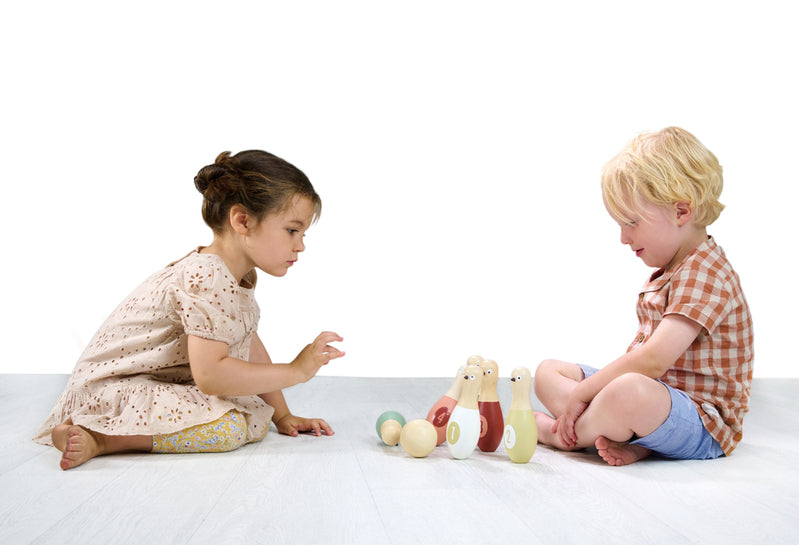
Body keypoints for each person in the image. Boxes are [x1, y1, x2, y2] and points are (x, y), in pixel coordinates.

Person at [35, 150, 345, 470]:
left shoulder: (233, 274)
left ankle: (102, 432)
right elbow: (211, 376)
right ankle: (100, 436)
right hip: (113, 389)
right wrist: (296, 371)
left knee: (246, 411)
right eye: (292, 230)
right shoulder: (207, 276)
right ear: (242, 221)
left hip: (150, 383)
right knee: (229, 427)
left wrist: (282, 415)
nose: (300, 245)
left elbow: (246, 341)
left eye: (303, 234)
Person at [533, 127, 753, 466]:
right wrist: (587, 393)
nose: (623, 237)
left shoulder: (706, 273)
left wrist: (583, 393)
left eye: (631, 222)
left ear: (681, 212)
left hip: (702, 422)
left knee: (628, 392)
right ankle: (617, 429)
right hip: (660, 397)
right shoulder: (675, 266)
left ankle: (562, 435)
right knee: (548, 372)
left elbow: (652, 361)